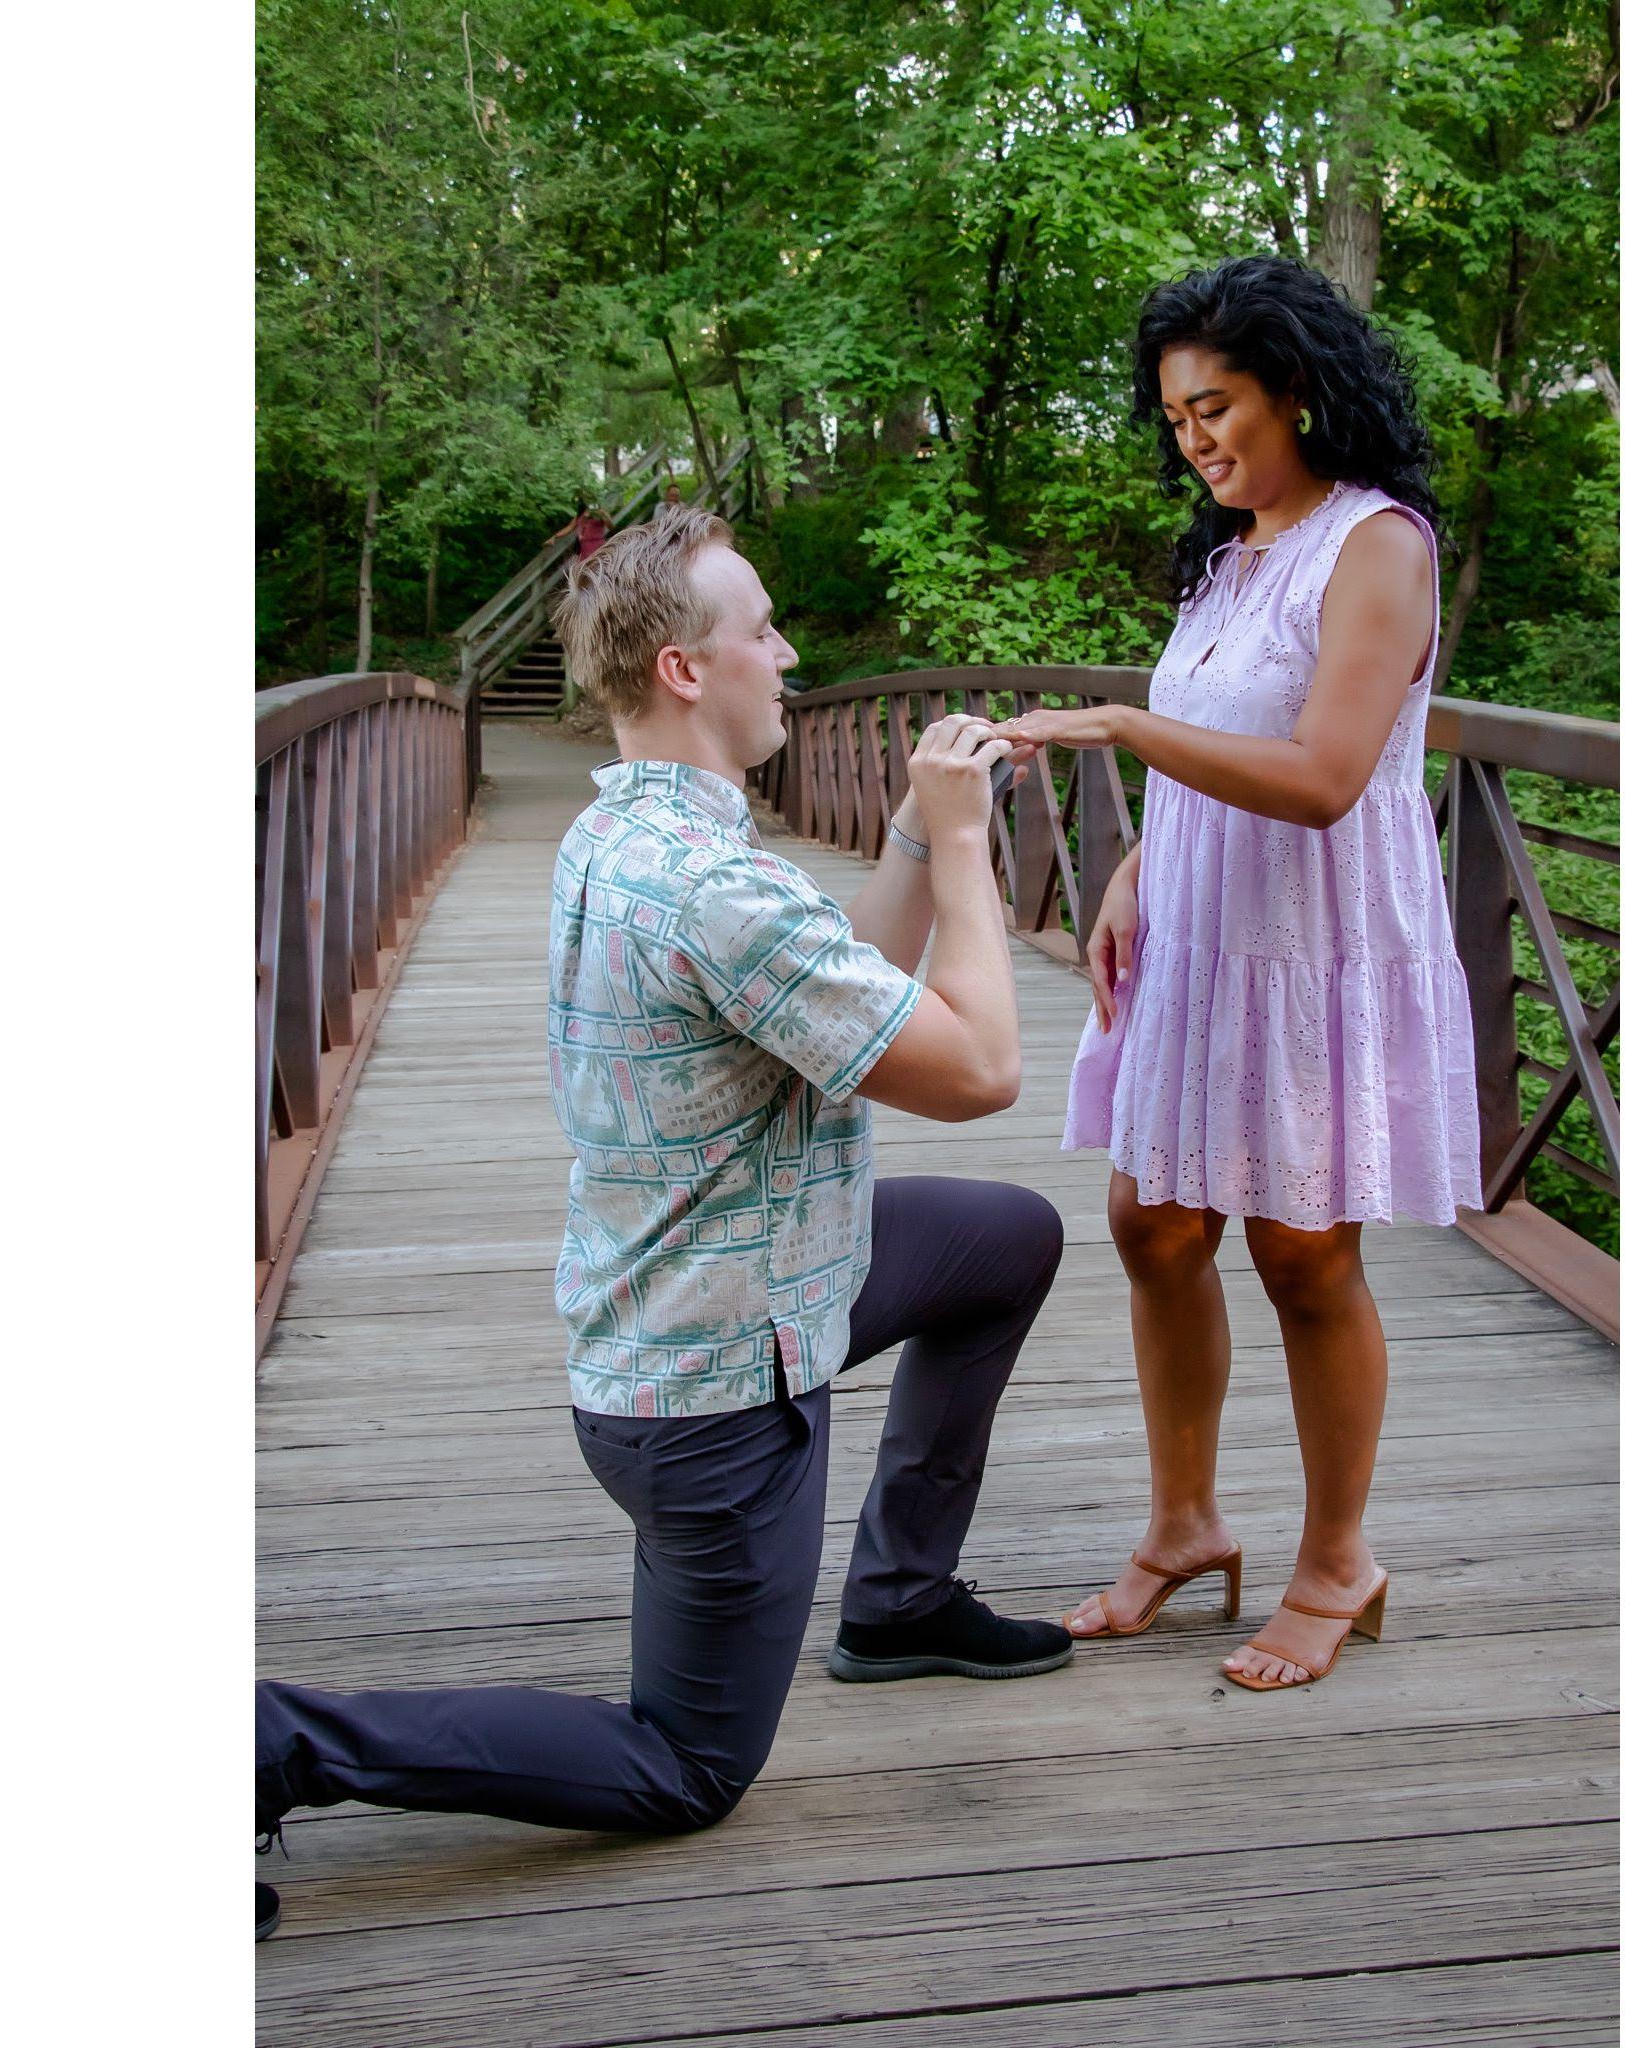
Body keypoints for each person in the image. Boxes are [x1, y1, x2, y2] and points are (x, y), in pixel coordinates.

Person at [255, 507, 1068, 1932]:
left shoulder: (623, 831)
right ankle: (275, 1741)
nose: (789, 652)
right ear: (687, 669)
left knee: (1003, 1239)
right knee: (686, 1768)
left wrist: (900, 834)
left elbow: (833, 1001)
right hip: (709, 1399)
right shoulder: (714, 886)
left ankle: (899, 1599)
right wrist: (960, 851)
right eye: (762, 629)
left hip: (744, 1279)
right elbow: (983, 1069)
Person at [998, 255, 1480, 1693]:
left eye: (1215, 407)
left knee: (1301, 1248)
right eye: (1175, 418)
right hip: (1202, 935)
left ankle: (1338, 1562)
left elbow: (1325, 777)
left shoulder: (1376, 545)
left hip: (1317, 942)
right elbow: (1223, 737)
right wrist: (1139, 866)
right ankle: (1186, 1525)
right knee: (1151, 1220)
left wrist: (1120, 730)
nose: (1194, 439)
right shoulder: (1231, 556)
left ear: (1298, 391)